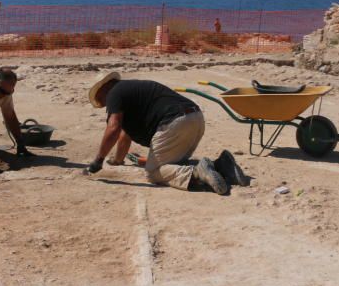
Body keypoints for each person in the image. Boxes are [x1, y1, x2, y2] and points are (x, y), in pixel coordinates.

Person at [84, 72, 249, 194]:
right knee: (173, 165)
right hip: (196, 118)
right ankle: (222, 164)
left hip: (174, 123)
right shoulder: (132, 91)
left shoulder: (114, 93)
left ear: (103, 89)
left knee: (153, 172)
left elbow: (114, 128)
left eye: (100, 99)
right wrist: (117, 160)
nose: (103, 104)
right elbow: (124, 136)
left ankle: (197, 172)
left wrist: (98, 160)